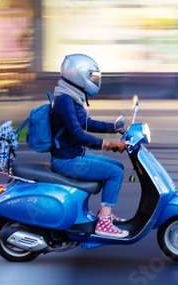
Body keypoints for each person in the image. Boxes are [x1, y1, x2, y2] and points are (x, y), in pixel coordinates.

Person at [50, 54, 129, 238]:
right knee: (115, 173)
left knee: (118, 166)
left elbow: (87, 124)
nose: (93, 79)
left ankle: (104, 214)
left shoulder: (72, 97)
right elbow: (77, 134)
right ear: (79, 75)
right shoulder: (65, 101)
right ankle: (104, 223)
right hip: (66, 160)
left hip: (74, 155)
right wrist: (108, 144)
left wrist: (114, 128)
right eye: (91, 75)